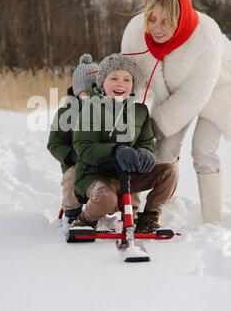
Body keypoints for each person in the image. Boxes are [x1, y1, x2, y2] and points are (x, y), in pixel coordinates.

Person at [121, 0, 231, 226]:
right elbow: (132, 81)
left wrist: (154, 126)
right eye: (152, 19)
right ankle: (167, 206)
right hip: (172, 92)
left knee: (202, 149)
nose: (156, 28)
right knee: (164, 150)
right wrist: (127, 123)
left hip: (220, 88)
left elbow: (194, 95)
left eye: (165, 22)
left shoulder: (205, 37)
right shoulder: (135, 34)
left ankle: (212, 218)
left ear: (178, 18)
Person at [72, 54, 178, 233]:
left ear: (133, 85)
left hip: (129, 176)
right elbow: (84, 147)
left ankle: (149, 218)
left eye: (127, 79)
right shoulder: (91, 108)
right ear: (102, 82)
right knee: (107, 198)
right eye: (113, 78)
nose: (120, 83)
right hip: (97, 176)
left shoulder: (140, 112)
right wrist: (116, 151)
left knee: (170, 172)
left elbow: (146, 141)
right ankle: (85, 220)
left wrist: (146, 152)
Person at [47, 54, 99, 224]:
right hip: (76, 163)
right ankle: (72, 213)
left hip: (101, 162)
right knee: (71, 177)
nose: (91, 94)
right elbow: (54, 143)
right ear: (77, 92)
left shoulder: (106, 110)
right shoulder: (66, 114)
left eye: (96, 89)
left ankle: (126, 210)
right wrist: (70, 156)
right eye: (86, 91)